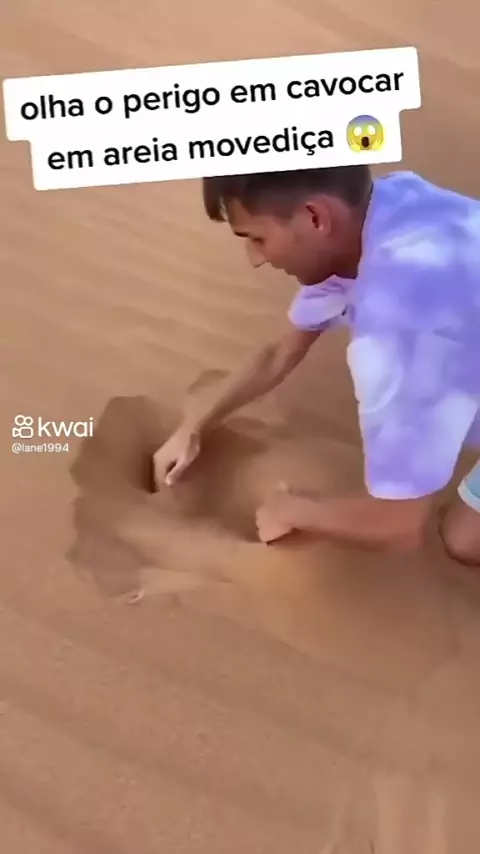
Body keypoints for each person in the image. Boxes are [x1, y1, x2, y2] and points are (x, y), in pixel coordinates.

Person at [153, 166, 480, 562]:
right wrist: (193, 427)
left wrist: (295, 511)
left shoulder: (399, 323)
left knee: (463, 542)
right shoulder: (384, 207)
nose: (255, 259)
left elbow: (398, 526)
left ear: (314, 217)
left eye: (257, 238)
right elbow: (280, 353)